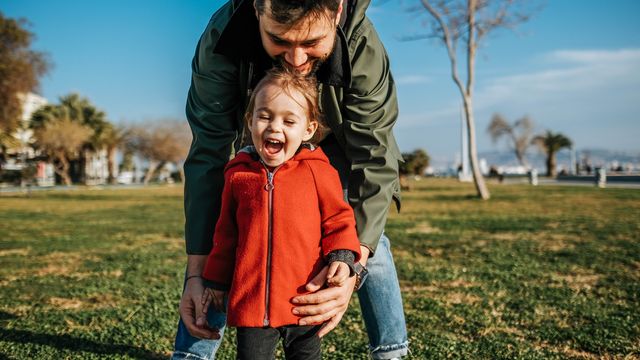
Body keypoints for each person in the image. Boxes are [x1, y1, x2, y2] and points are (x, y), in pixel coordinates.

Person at [173, 0, 408, 359]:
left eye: (312, 42)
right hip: (266, 141)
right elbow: (209, 153)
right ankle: (192, 354)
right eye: (280, 40)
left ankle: (392, 351)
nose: (296, 59)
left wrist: (353, 263)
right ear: (256, 10)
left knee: (360, 232)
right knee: (243, 227)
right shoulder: (222, 38)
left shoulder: (362, 45)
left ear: (338, 10)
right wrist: (195, 276)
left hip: (338, 148)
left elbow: (374, 159)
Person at [199, 68, 361, 360]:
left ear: (308, 129)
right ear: (250, 122)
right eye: (264, 116)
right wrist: (216, 280)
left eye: (289, 121)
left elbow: (339, 219)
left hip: (304, 300)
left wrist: (343, 255)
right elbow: (225, 234)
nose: (275, 127)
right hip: (251, 303)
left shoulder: (317, 170)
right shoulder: (238, 174)